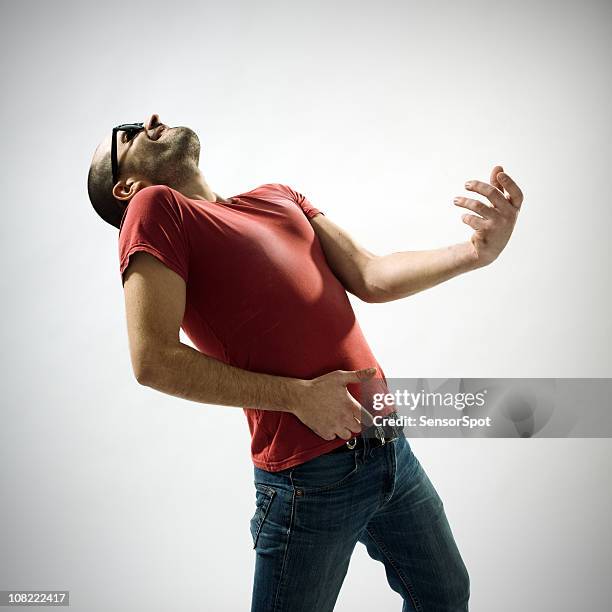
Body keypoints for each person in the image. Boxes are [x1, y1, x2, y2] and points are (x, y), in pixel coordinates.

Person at [87, 114, 524, 611]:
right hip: (309, 481)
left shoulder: (278, 195)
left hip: (389, 448)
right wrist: (296, 396)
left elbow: (370, 273)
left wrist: (474, 253)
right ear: (126, 187)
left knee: (444, 596)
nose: (152, 120)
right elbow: (153, 360)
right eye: (127, 134)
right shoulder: (156, 207)